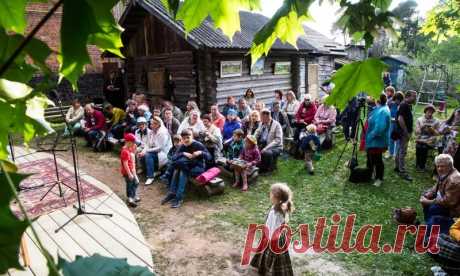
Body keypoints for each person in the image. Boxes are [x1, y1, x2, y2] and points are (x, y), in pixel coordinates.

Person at [160, 129, 211, 208]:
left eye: (188, 137)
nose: (186, 140)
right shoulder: (183, 146)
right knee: (178, 169)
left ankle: (178, 197)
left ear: (192, 137)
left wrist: (200, 152)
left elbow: (209, 157)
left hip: (198, 168)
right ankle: (173, 193)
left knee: (182, 171)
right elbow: (173, 158)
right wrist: (183, 153)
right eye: (184, 138)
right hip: (186, 166)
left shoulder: (198, 145)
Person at [250, 183, 294, 276]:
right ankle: (273, 270)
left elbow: (273, 227)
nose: (269, 195)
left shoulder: (276, 212)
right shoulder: (280, 207)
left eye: (271, 194)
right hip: (277, 238)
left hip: (273, 239)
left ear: (276, 197)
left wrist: (268, 239)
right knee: (277, 257)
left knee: (273, 257)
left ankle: (272, 271)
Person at [420, 154, 460, 236]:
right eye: (437, 166)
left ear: (450, 166)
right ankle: (428, 225)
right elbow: (436, 187)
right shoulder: (446, 173)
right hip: (444, 201)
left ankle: (431, 231)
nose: (439, 169)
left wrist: (429, 201)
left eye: (442, 166)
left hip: (453, 210)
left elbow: (448, 202)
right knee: (425, 197)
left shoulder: (454, 180)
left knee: (433, 208)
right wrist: (427, 195)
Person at [365, 94, 391, 187]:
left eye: (372, 97)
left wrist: (371, 136)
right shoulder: (378, 108)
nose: (370, 98)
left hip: (377, 140)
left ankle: (379, 178)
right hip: (373, 140)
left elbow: (380, 127)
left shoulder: (383, 110)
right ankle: (371, 174)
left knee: (377, 160)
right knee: (371, 158)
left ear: (377, 99)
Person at [141, 116, 172, 185]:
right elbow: (148, 144)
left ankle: (150, 177)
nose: (151, 126)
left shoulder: (162, 133)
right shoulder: (151, 132)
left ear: (158, 125)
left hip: (164, 153)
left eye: (153, 124)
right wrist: (143, 151)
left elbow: (160, 148)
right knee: (142, 154)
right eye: (151, 123)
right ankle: (147, 170)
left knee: (148, 155)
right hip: (154, 150)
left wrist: (147, 151)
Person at [395, 90, 417, 181]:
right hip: (404, 132)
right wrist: (406, 132)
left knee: (400, 149)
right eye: (414, 96)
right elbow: (400, 119)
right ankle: (402, 171)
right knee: (402, 151)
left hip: (403, 132)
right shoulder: (404, 105)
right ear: (408, 96)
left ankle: (397, 167)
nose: (415, 98)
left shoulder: (407, 105)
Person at [415, 105, 441, 172]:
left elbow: (437, 134)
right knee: (418, 146)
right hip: (421, 138)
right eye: (428, 111)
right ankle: (418, 164)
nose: (430, 113)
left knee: (424, 147)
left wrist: (431, 129)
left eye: (432, 112)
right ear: (425, 111)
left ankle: (422, 166)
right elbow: (417, 132)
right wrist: (422, 127)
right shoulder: (419, 119)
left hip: (431, 139)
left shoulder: (436, 121)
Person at [120, 133, 140, 207]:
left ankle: (133, 195)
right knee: (130, 184)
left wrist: (134, 151)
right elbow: (125, 164)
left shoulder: (129, 149)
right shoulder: (125, 151)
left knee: (136, 183)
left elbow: (132, 161)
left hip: (132, 171)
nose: (135, 144)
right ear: (129, 142)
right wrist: (129, 174)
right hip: (127, 172)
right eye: (133, 143)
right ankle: (130, 198)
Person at [387, 91, 403, 158]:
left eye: (398, 100)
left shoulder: (402, 105)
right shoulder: (391, 104)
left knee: (398, 140)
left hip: (399, 124)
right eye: (396, 99)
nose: (397, 101)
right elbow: (388, 113)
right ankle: (391, 153)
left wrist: (396, 119)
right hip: (392, 124)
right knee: (391, 138)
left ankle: (396, 154)